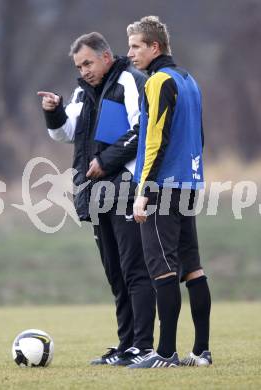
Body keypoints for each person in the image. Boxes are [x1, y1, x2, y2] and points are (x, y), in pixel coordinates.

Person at [37, 32, 156, 366]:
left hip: (126, 190)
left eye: (88, 62)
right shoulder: (81, 92)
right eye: (78, 65)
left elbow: (143, 129)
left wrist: (106, 161)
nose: (84, 70)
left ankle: (143, 346)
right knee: (115, 273)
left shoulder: (130, 81)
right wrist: (55, 111)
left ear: (105, 57)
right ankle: (125, 345)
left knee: (135, 270)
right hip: (97, 194)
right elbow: (65, 133)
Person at [126, 16, 212, 368]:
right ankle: (201, 351)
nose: (130, 53)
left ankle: (164, 353)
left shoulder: (159, 81)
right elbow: (200, 137)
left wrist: (144, 191)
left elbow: (155, 140)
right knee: (192, 269)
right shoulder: (189, 80)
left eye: (136, 46)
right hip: (189, 183)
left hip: (163, 187)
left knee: (162, 269)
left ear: (154, 47)